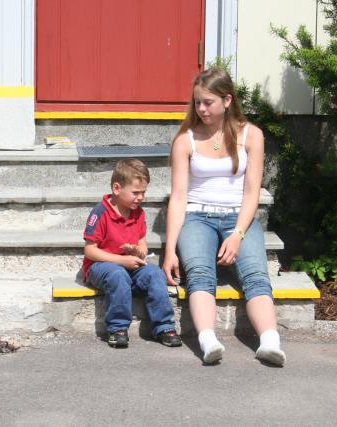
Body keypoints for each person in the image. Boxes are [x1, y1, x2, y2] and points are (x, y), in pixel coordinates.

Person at [162, 68, 286, 366]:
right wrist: (169, 251)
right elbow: (178, 197)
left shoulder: (252, 135)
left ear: (227, 100)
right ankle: (208, 341)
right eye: (197, 103)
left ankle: (270, 342)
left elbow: (252, 193)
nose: (201, 109)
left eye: (208, 102)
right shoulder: (185, 140)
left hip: (238, 218)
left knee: (256, 276)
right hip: (197, 217)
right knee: (199, 274)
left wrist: (238, 234)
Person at [83, 158, 182, 349]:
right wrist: (122, 260)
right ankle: (117, 328)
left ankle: (164, 327)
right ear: (117, 188)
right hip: (101, 266)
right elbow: (90, 250)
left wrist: (139, 252)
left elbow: (143, 245)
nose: (140, 197)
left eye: (143, 192)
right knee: (118, 275)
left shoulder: (138, 213)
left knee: (155, 274)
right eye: (135, 193)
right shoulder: (100, 212)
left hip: (129, 265)